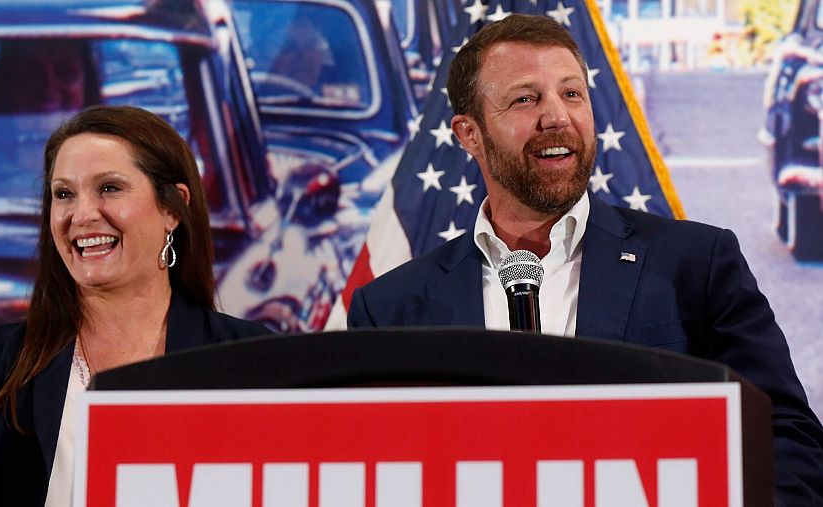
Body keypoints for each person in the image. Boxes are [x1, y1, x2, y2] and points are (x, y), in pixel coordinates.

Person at [347, 14, 823, 504]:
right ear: (469, 135)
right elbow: (365, 471)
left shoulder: (696, 265)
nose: (557, 116)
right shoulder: (389, 307)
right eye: (526, 98)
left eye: (572, 94)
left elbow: (785, 436)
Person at [0, 105, 271, 506]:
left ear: (173, 208)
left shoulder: (251, 360)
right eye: (64, 194)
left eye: (109, 188)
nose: (82, 214)